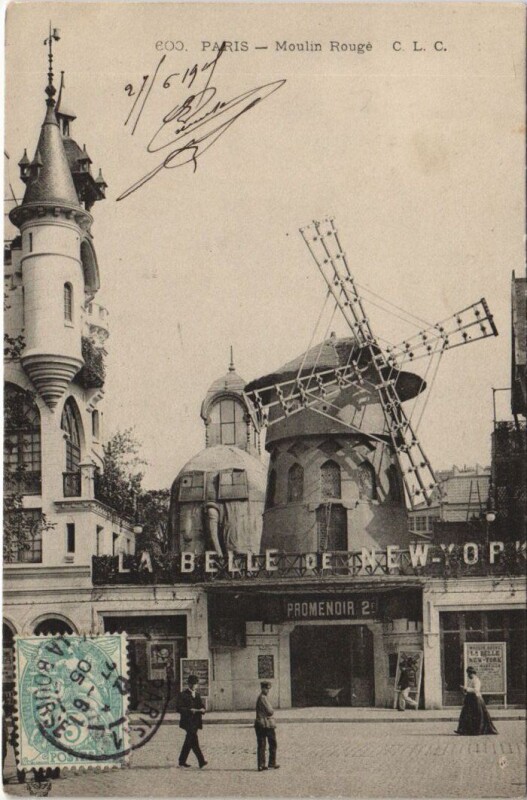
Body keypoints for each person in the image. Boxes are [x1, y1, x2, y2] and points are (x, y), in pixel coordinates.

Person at [455, 667, 498, 736]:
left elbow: (476, 690)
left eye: (468, 674)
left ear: (471, 673)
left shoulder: (476, 680)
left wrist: (466, 688)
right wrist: (465, 690)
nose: (468, 675)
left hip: (476, 700)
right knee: (466, 714)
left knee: (476, 716)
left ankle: (476, 730)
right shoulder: (472, 680)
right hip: (471, 699)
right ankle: (464, 730)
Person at [176, 675, 208, 768]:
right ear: (189, 684)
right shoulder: (183, 694)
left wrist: (203, 709)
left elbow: (201, 705)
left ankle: (182, 761)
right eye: (192, 684)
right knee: (193, 740)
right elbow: (179, 708)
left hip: (196, 722)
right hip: (187, 722)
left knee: (190, 741)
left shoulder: (197, 695)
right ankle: (201, 761)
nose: (194, 685)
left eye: (195, 684)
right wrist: (189, 710)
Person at [255, 681, 279, 772]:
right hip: (266, 724)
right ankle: (271, 763)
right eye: (266, 689)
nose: (267, 690)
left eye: (268, 689)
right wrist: (272, 710)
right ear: (262, 688)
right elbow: (270, 711)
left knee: (262, 745)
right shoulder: (263, 698)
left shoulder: (261, 697)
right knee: (272, 743)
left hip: (261, 724)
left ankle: (261, 765)